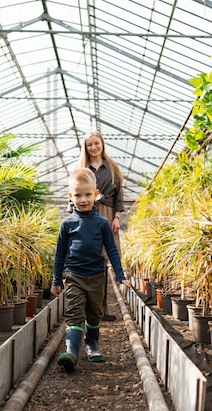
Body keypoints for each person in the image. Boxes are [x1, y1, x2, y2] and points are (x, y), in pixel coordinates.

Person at [51, 168, 130, 372]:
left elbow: (112, 251)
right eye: (78, 195)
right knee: (74, 312)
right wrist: (56, 280)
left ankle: (92, 344)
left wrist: (120, 275)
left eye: (87, 194)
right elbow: (59, 254)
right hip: (73, 275)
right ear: (71, 196)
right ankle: (71, 351)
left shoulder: (102, 223)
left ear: (96, 194)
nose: (83, 199)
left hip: (96, 276)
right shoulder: (67, 224)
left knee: (94, 314)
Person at [78, 130, 125, 321]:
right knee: (88, 259)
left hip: (106, 215)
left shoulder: (112, 168)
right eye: (90, 144)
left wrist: (117, 217)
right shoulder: (82, 169)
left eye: (96, 143)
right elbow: (73, 192)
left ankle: (102, 307)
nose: (94, 147)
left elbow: (119, 195)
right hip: (87, 215)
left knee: (105, 261)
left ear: (102, 144)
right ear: (86, 147)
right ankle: (86, 307)